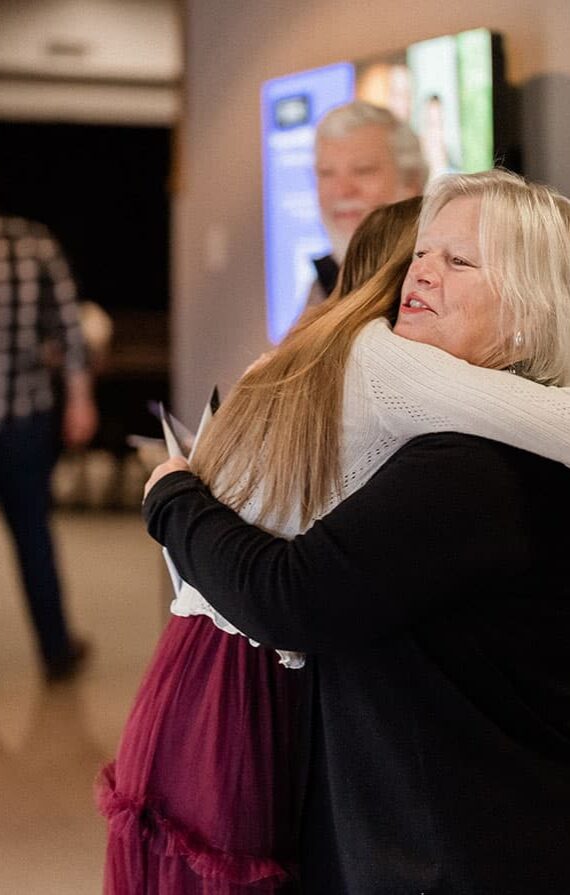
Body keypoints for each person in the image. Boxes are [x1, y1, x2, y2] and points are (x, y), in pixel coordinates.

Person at [98, 174, 570, 893]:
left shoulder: (469, 467)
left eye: (459, 261)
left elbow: (288, 597)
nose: (422, 271)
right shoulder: (467, 437)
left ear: (533, 310)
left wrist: (171, 498)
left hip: (450, 847)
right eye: (423, 252)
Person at [0, 148, 98, 713]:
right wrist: (79, 402)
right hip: (25, 417)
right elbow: (72, 331)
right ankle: (56, 653)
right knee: (34, 536)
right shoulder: (34, 240)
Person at [306, 100, 427, 304]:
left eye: (363, 170)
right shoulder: (323, 284)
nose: (342, 190)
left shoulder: (431, 285)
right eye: (326, 173)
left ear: (411, 181)